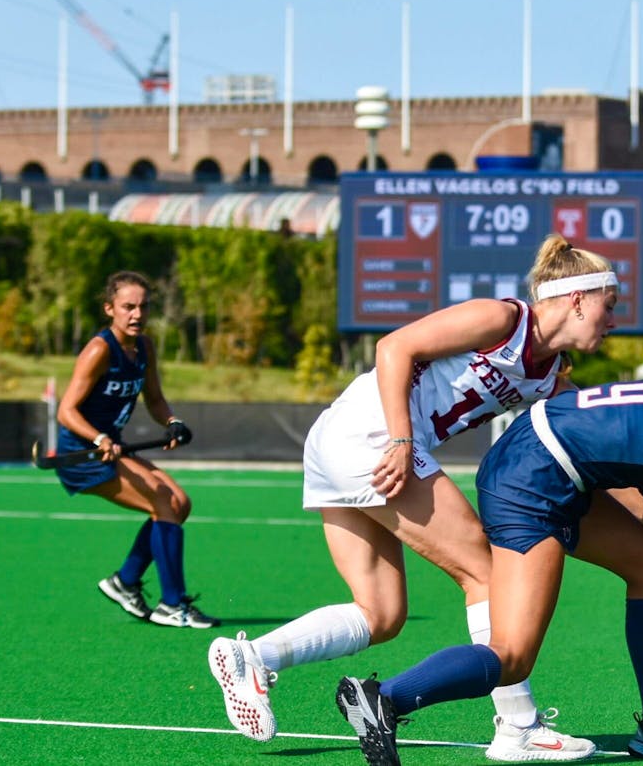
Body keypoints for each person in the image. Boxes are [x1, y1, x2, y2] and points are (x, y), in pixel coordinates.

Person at [335, 320, 643, 766]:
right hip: (528, 481)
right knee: (512, 655)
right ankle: (384, 698)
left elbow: (639, 424)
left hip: (554, 456)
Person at [208, 234, 615, 759]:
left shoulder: (552, 375)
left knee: (381, 614)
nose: (614, 320)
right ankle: (518, 727)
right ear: (577, 298)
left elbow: (591, 447)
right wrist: (402, 439)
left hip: (346, 440)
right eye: (610, 305)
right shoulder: (502, 319)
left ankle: (255, 658)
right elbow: (393, 347)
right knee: (486, 571)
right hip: (373, 436)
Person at [54, 270, 215, 629]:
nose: (137, 315)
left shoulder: (144, 347)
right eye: (128, 307)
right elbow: (66, 410)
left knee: (180, 504)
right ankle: (172, 604)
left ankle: (125, 581)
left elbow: (155, 399)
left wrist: (171, 422)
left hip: (112, 447)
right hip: (85, 455)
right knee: (162, 501)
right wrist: (98, 438)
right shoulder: (99, 349)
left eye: (142, 307)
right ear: (110, 308)